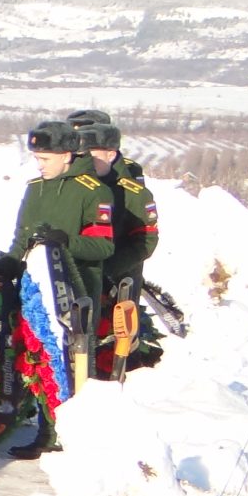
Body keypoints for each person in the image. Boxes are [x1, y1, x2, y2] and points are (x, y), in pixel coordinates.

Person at [5, 119, 116, 455]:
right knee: (41, 359)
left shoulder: (93, 191)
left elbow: (104, 246)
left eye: (46, 159)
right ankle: (45, 431)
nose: (40, 165)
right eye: (37, 158)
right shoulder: (34, 188)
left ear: (67, 155)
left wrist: (68, 242)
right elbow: (21, 238)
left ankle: (73, 435)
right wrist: (6, 268)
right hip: (38, 291)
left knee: (73, 362)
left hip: (76, 291)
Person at [76, 116, 159, 364]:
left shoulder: (131, 190)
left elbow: (145, 241)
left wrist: (108, 271)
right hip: (81, 278)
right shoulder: (76, 186)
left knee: (114, 351)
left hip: (117, 280)